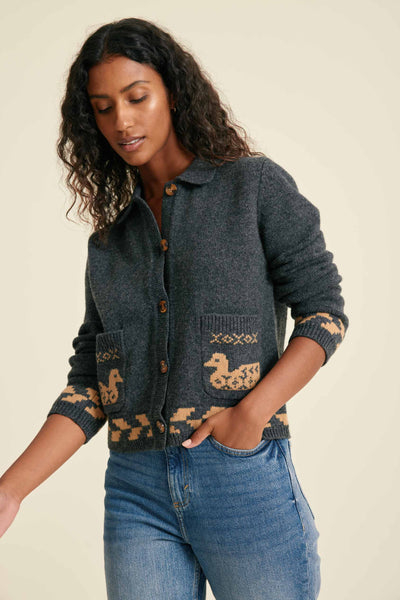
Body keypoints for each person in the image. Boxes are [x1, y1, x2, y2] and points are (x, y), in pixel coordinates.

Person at [0, 17, 349, 600]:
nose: (122, 121)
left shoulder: (253, 188)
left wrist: (250, 415)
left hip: (242, 478)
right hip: (136, 493)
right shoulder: (110, 243)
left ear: (174, 94)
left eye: (137, 97)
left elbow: (324, 313)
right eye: (103, 108)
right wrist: (10, 490)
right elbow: (90, 384)